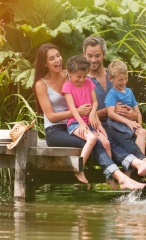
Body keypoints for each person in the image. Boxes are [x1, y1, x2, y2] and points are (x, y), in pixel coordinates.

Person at [33, 43, 146, 190]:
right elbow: (52, 116)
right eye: (52, 58)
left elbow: (87, 97)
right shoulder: (41, 84)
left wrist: (96, 116)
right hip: (56, 131)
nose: (58, 60)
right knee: (96, 142)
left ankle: (137, 164)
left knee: (106, 140)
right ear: (45, 63)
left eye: (58, 56)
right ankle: (120, 177)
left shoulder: (70, 75)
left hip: (78, 124)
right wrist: (78, 112)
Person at [83, 36, 146, 196]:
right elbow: (84, 114)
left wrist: (132, 114)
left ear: (103, 54)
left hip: (122, 124)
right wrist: (109, 111)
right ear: (84, 55)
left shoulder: (114, 74)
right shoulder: (82, 81)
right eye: (89, 56)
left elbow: (127, 102)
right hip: (101, 128)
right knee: (126, 143)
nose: (93, 60)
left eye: (97, 55)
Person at [62, 55, 110, 183]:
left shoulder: (89, 82)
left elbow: (95, 102)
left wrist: (92, 114)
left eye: (84, 76)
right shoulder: (67, 87)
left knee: (106, 143)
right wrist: (82, 124)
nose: (82, 79)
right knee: (92, 138)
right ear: (70, 73)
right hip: (75, 123)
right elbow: (72, 108)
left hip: (89, 121)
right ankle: (79, 169)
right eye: (78, 76)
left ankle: (109, 174)